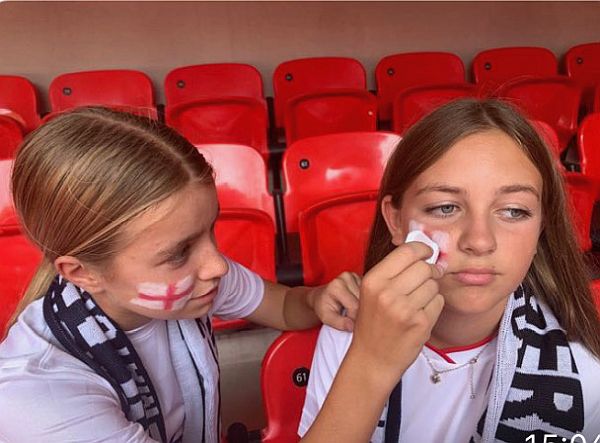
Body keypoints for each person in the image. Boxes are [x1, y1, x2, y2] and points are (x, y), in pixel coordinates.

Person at [0, 107, 361, 443]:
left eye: (211, 228)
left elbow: (282, 306)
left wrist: (316, 299)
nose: (218, 265)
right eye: (179, 252)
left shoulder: (188, 285)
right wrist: (372, 365)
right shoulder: (39, 397)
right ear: (81, 272)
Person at [299, 98, 600, 442]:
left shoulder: (584, 373)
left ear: (541, 228)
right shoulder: (350, 332)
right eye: (445, 207)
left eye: (514, 211)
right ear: (395, 221)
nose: (479, 241)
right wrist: (370, 363)